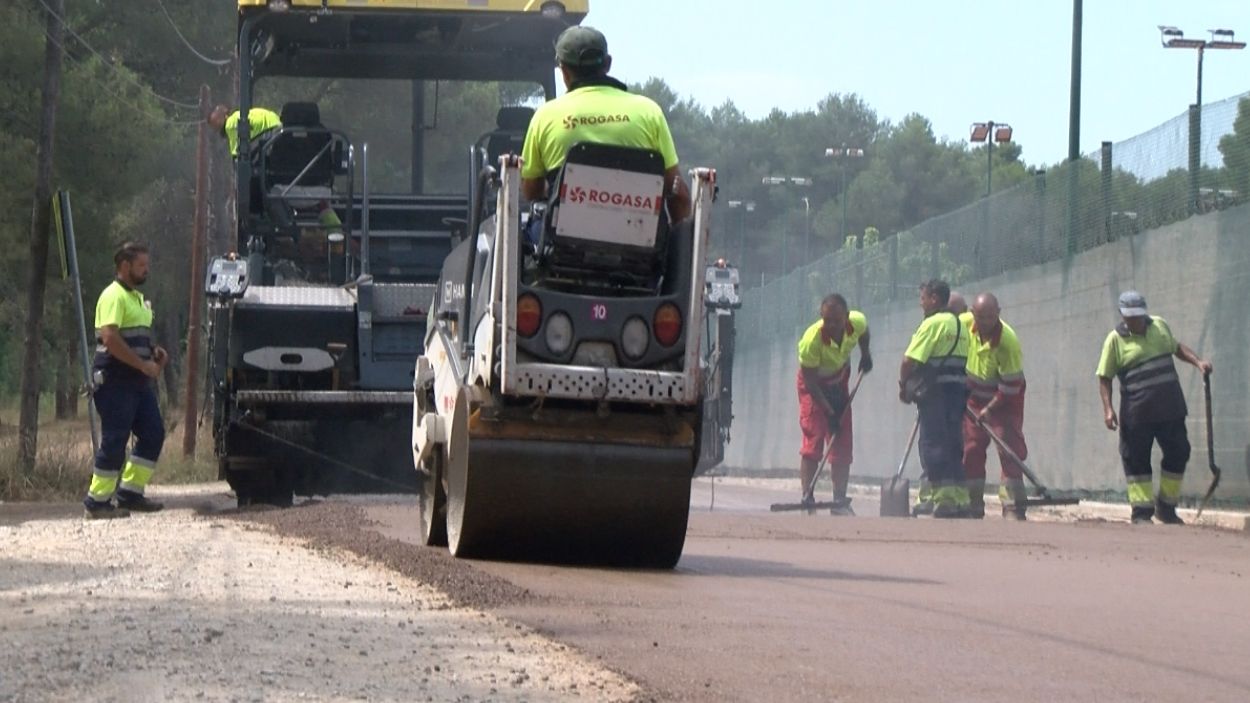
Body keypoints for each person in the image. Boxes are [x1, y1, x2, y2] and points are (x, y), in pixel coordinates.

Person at [519, 26, 691, 222]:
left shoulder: (545, 116)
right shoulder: (649, 112)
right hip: (641, 246)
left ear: (564, 72)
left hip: (564, 246)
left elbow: (531, 191)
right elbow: (674, 189)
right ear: (608, 64)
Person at [1097, 291, 1211, 524]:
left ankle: (1167, 508)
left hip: (1170, 409)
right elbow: (1104, 377)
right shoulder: (1114, 340)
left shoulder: (1160, 326)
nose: (1135, 321)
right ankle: (1141, 514)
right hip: (1136, 414)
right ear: (1122, 315)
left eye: (1138, 315)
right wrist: (1108, 410)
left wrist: (1198, 362)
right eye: (1130, 317)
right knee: (1137, 461)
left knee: (1179, 451)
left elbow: (1177, 347)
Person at [82, 243, 169, 519]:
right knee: (115, 439)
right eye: (142, 265)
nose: (147, 270)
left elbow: (135, 338)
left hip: (137, 384)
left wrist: (153, 352)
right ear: (125, 265)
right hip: (114, 381)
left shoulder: (137, 300)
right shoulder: (113, 296)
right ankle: (97, 502)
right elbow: (109, 338)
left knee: (153, 433)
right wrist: (142, 364)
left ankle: (130, 493)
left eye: (147, 264)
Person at [795, 294, 872, 515]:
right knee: (814, 437)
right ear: (822, 318)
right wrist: (829, 412)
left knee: (842, 440)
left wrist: (865, 355)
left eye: (836, 321)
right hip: (814, 387)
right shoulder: (812, 340)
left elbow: (864, 333)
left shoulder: (856, 322)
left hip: (839, 381)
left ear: (846, 318)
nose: (831, 325)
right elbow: (809, 382)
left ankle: (839, 500)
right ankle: (807, 495)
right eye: (827, 320)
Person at [899, 279, 970, 518]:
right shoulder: (960, 326)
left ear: (935, 299)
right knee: (953, 444)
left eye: (923, 298)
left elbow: (909, 360)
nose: (921, 304)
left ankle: (944, 499)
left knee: (933, 446)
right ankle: (958, 499)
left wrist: (904, 386)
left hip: (935, 395)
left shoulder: (932, 324)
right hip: (957, 393)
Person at [962, 293, 1028, 519]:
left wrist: (989, 410)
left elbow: (1011, 386)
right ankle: (973, 504)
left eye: (990, 317)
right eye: (980, 317)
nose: (985, 322)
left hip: (1006, 400)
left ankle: (1013, 506)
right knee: (971, 448)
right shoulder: (964, 325)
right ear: (973, 314)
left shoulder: (1008, 342)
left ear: (998, 313)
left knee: (1008, 448)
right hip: (973, 398)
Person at [207, 105, 282, 159]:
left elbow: (236, 153)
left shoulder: (229, 125)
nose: (215, 129)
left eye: (214, 126)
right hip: (276, 123)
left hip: (271, 128)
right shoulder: (236, 117)